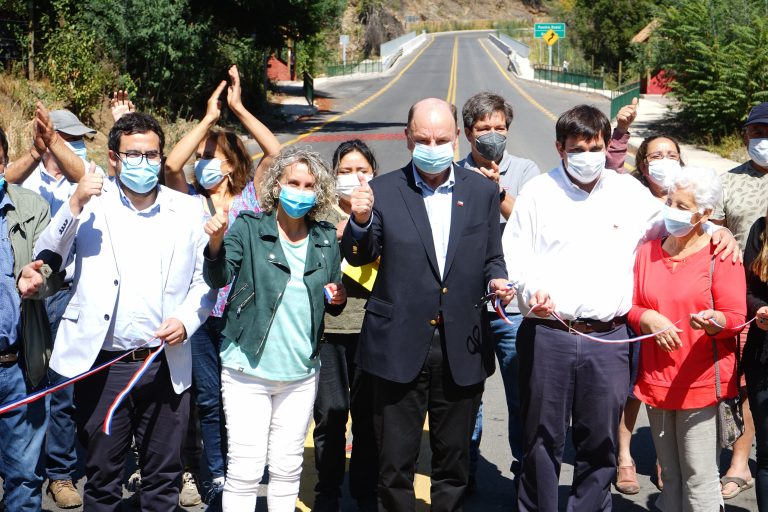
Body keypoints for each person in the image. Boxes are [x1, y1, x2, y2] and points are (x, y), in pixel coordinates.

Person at [502, 104, 738, 511]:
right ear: (560, 148)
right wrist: (531, 286)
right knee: (542, 438)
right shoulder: (539, 193)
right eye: (578, 148)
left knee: (601, 440)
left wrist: (719, 232)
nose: (588, 156)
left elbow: (674, 220)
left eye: (595, 147)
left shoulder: (627, 193)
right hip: (551, 334)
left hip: (609, 338)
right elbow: (517, 256)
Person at [34, 112, 216, 511]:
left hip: (165, 363)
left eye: (152, 155)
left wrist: (186, 321)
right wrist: (76, 202)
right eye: (134, 155)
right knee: (101, 478)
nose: (144, 163)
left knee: (163, 478)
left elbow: (206, 282)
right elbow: (48, 252)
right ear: (114, 158)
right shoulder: (93, 203)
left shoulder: (187, 210)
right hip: (105, 366)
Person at [341, 97, 514, 511]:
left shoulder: (481, 192)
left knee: (452, 463)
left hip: (461, 341)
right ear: (406, 138)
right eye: (422, 138)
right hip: (397, 343)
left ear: (457, 137)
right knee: (394, 463)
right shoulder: (382, 191)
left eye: (441, 138)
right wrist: (360, 221)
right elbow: (358, 255)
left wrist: (498, 279)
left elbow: (492, 254)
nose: (432, 145)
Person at [457, 92, 633, 496]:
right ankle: (467, 470)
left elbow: (519, 229)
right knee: (468, 396)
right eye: (484, 129)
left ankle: (528, 473)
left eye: (500, 127)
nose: (492, 135)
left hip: (518, 309)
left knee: (529, 406)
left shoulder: (527, 174)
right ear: (468, 133)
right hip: (472, 301)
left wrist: (497, 190)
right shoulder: (454, 173)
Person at [203, 146, 346, 511]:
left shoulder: (326, 238)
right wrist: (216, 242)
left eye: (308, 185)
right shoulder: (249, 228)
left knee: (287, 467)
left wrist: (338, 296)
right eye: (292, 182)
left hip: (300, 372)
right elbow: (217, 277)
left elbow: (332, 297)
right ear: (277, 185)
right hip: (248, 369)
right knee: (246, 469)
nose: (300, 190)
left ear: (319, 192)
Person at [164, 64, 280, 506]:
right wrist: (208, 119)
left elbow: (273, 151)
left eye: (212, 155)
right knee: (208, 401)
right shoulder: (187, 199)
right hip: (199, 317)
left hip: (240, 316)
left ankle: (241, 473)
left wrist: (238, 108)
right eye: (202, 156)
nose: (202, 163)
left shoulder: (252, 197)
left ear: (232, 164)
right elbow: (172, 163)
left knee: (242, 403)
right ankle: (216, 478)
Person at [629, 166, 745, 511]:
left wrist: (715, 321)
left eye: (681, 205)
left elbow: (735, 318)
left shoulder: (720, 254)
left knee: (699, 476)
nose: (671, 210)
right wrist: (646, 317)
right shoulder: (647, 252)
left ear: (705, 213)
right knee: (671, 477)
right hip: (657, 380)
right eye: (669, 201)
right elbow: (631, 307)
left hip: (700, 383)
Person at [5, 103, 103, 509]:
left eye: (79, 140)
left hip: (65, 292)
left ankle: (58, 473)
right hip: (24, 300)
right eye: (70, 139)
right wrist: (35, 150)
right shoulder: (24, 187)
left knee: (59, 389)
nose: (78, 147)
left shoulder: (82, 181)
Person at [616, 133, 685, 495]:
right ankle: (624, 457)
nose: (664, 160)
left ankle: (665, 460)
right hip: (637, 301)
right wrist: (619, 133)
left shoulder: (691, 195)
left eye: (671, 154)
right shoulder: (630, 194)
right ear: (643, 164)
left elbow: (709, 232)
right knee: (632, 386)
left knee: (669, 383)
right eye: (655, 155)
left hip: (677, 304)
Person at [0, 125, 63, 512]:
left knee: (24, 480)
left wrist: (37, 280)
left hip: (19, 367)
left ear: (4, 161)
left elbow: (56, 269)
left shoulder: (31, 206)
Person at [313, 139, 378, 512]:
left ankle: (365, 492)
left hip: (372, 332)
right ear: (333, 175)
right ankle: (328, 491)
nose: (354, 178)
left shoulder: (385, 214)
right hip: (329, 334)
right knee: (330, 417)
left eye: (362, 170)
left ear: (373, 174)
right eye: (345, 171)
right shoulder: (316, 216)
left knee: (369, 421)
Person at [710, 101, 768, 499]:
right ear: (745, 137)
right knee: (741, 382)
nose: (762, 140)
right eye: (756, 133)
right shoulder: (727, 182)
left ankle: (743, 460)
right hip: (743, 297)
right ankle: (738, 460)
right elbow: (710, 234)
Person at [744, 208, 768, 511]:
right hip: (763, 353)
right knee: (767, 454)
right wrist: (759, 308)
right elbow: (746, 289)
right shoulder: (761, 229)